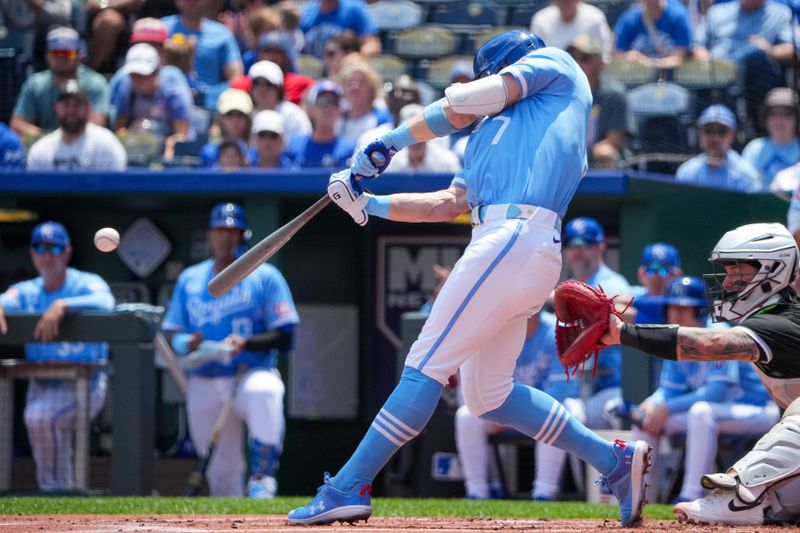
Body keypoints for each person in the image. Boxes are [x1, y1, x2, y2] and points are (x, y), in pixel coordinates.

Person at [289, 29, 651, 527]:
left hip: (517, 236)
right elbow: (448, 204)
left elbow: (465, 100)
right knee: (488, 395)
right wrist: (367, 205)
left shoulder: (559, 67)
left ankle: (347, 487)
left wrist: (390, 140)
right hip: (514, 247)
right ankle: (614, 462)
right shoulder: (484, 137)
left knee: (425, 367)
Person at [599, 222, 800, 525]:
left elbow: (713, 343)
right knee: (780, 507)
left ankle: (738, 495)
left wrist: (623, 334)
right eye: (728, 271)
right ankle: (757, 504)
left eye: (738, 272)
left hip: (757, 413)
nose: (729, 281)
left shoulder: (783, 322)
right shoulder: (773, 317)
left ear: (772, 271)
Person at [162, 202, 299, 498]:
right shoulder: (191, 279)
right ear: (210, 235)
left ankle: (263, 477)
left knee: (265, 391)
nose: (226, 238)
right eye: (220, 231)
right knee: (222, 479)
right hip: (206, 377)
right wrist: (188, 343)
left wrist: (246, 343)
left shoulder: (265, 276)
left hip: (250, 371)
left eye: (232, 231)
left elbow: (287, 335)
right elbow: (173, 334)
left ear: (243, 235)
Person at [628, 276, 779, 504]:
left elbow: (716, 393)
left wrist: (666, 408)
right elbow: (669, 390)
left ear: (700, 311)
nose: (676, 314)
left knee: (700, 412)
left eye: (684, 308)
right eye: (673, 307)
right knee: (647, 420)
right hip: (715, 413)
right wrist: (651, 404)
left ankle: (691, 495)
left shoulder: (719, 334)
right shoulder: (677, 339)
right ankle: (638, 497)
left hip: (757, 410)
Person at [0, 221, 115, 491]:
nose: (47, 255)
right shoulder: (28, 290)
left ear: (67, 252)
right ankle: (60, 495)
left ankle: (56, 489)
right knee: (42, 418)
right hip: (42, 383)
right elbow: (8, 298)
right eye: (40, 248)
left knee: (41, 418)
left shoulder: (85, 282)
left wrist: (63, 304)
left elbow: (106, 302)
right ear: (32, 253)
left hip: (85, 383)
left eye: (54, 248)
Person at [456, 310, 585, 501]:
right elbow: (486, 384)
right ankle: (478, 491)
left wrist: (526, 415)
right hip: (510, 409)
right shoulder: (500, 333)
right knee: (466, 415)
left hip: (555, 404)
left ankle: (544, 493)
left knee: (557, 413)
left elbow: (561, 387)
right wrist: (505, 412)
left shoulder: (557, 332)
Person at [562, 217, 631, 429]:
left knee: (576, 420)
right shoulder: (569, 285)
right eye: (572, 245)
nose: (577, 251)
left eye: (585, 245)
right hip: (578, 385)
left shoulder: (613, 283)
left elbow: (625, 312)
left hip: (611, 386)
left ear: (600, 247)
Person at [692, 0, 795, 134]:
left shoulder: (780, 13)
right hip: (718, 80)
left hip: (756, 83)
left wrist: (769, 50)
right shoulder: (717, 12)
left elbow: (791, 50)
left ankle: (758, 132)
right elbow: (696, 46)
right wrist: (709, 63)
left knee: (757, 58)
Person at [11, 26, 110, 137]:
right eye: (56, 53)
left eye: (68, 53)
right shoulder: (35, 83)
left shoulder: (95, 83)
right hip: (46, 148)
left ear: (79, 56)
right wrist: (53, 141)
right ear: (47, 56)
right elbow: (18, 124)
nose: (62, 57)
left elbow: (96, 125)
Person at [111, 43, 191, 160]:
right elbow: (120, 128)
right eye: (134, 75)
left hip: (167, 150)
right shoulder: (126, 90)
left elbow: (182, 135)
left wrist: (167, 156)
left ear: (156, 71)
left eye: (143, 75)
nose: (138, 80)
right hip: (135, 150)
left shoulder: (172, 93)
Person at [26, 80, 127, 171]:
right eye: (65, 105)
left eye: (77, 105)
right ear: (56, 107)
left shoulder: (106, 145)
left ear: (88, 108)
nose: (71, 110)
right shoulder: (40, 150)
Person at [567, 35, 632, 168]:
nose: (577, 64)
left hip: (598, 157)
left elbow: (614, 142)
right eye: (572, 59)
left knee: (606, 153)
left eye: (584, 59)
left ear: (600, 62)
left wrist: (580, 154)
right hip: (570, 153)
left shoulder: (614, 94)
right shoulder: (561, 94)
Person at [162, 0, 244, 97]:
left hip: (210, 105)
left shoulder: (222, 34)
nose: (191, 1)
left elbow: (236, 76)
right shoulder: (162, 28)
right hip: (167, 100)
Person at [676, 104, 762, 192]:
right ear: (700, 133)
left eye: (722, 131)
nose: (714, 137)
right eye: (708, 130)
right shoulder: (686, 172)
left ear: (732, 135)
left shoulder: (745, 173)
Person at [284, 80, 355, 168]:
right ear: (311, 108)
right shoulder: (293, 145)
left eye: (334, 102)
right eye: (322, 101)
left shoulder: (349, 149)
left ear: (340, 109)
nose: (328, 108)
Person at [742, 88, 800, 192]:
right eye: (773, 114)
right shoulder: (754, 149)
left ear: (796, 118)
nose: (779, 120)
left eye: (786, 114)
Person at [613, 0, 692, 70]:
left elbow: (680, 58)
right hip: (637, 80)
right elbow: (617, 55)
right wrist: (627, 57)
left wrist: (648, 63)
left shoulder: (678, 16)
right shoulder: (629, 19)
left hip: (670, 80)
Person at [385, 104, 461, 174]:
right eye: (408, 135)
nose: (414, 140)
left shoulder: (447, 162)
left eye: (419, 133)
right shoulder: (391, 162)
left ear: (428, 134)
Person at [530, 0, 613, 62]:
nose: (565, 1)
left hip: (588, 79)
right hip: (552, 77)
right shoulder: (541, 19)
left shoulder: (595, 18)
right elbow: (536, 59)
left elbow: (603, 56)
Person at [247, 60, 311, 139]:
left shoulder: (293, 115)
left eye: (268, 84)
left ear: (279, 90)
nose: (262, 89)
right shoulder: (246, 114)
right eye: (257, 83)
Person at [299, 0, 381, 59]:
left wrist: (354, 60)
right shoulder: (305, 13)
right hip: (312, 74)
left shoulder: (353, 10)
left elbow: (372, 44)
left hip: (345, 76)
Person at [336, 60, 393, 144]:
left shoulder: (382, 118)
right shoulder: (338, 117)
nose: (355, 87)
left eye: (361, 82)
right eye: (350, 82)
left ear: (371, 88)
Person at [256, 31, 314, 105]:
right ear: (259, 55)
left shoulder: (303, 84)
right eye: (268, 51)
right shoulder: (244, 84)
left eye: (278, 52)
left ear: (287, 57)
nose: (272, 56)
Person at [86, 0, 145, 71]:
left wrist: (104, 5)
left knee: (110, 20)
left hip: (126, 17)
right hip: (88, 15)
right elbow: (93, 3)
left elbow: (133, 2)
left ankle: (90, 70)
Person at [200, 88, 253, 167]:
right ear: (220, 119)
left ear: (248, 119)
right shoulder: (209, 153)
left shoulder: (258, 154)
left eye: (240, 115)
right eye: (229, 114)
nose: (235, 120)